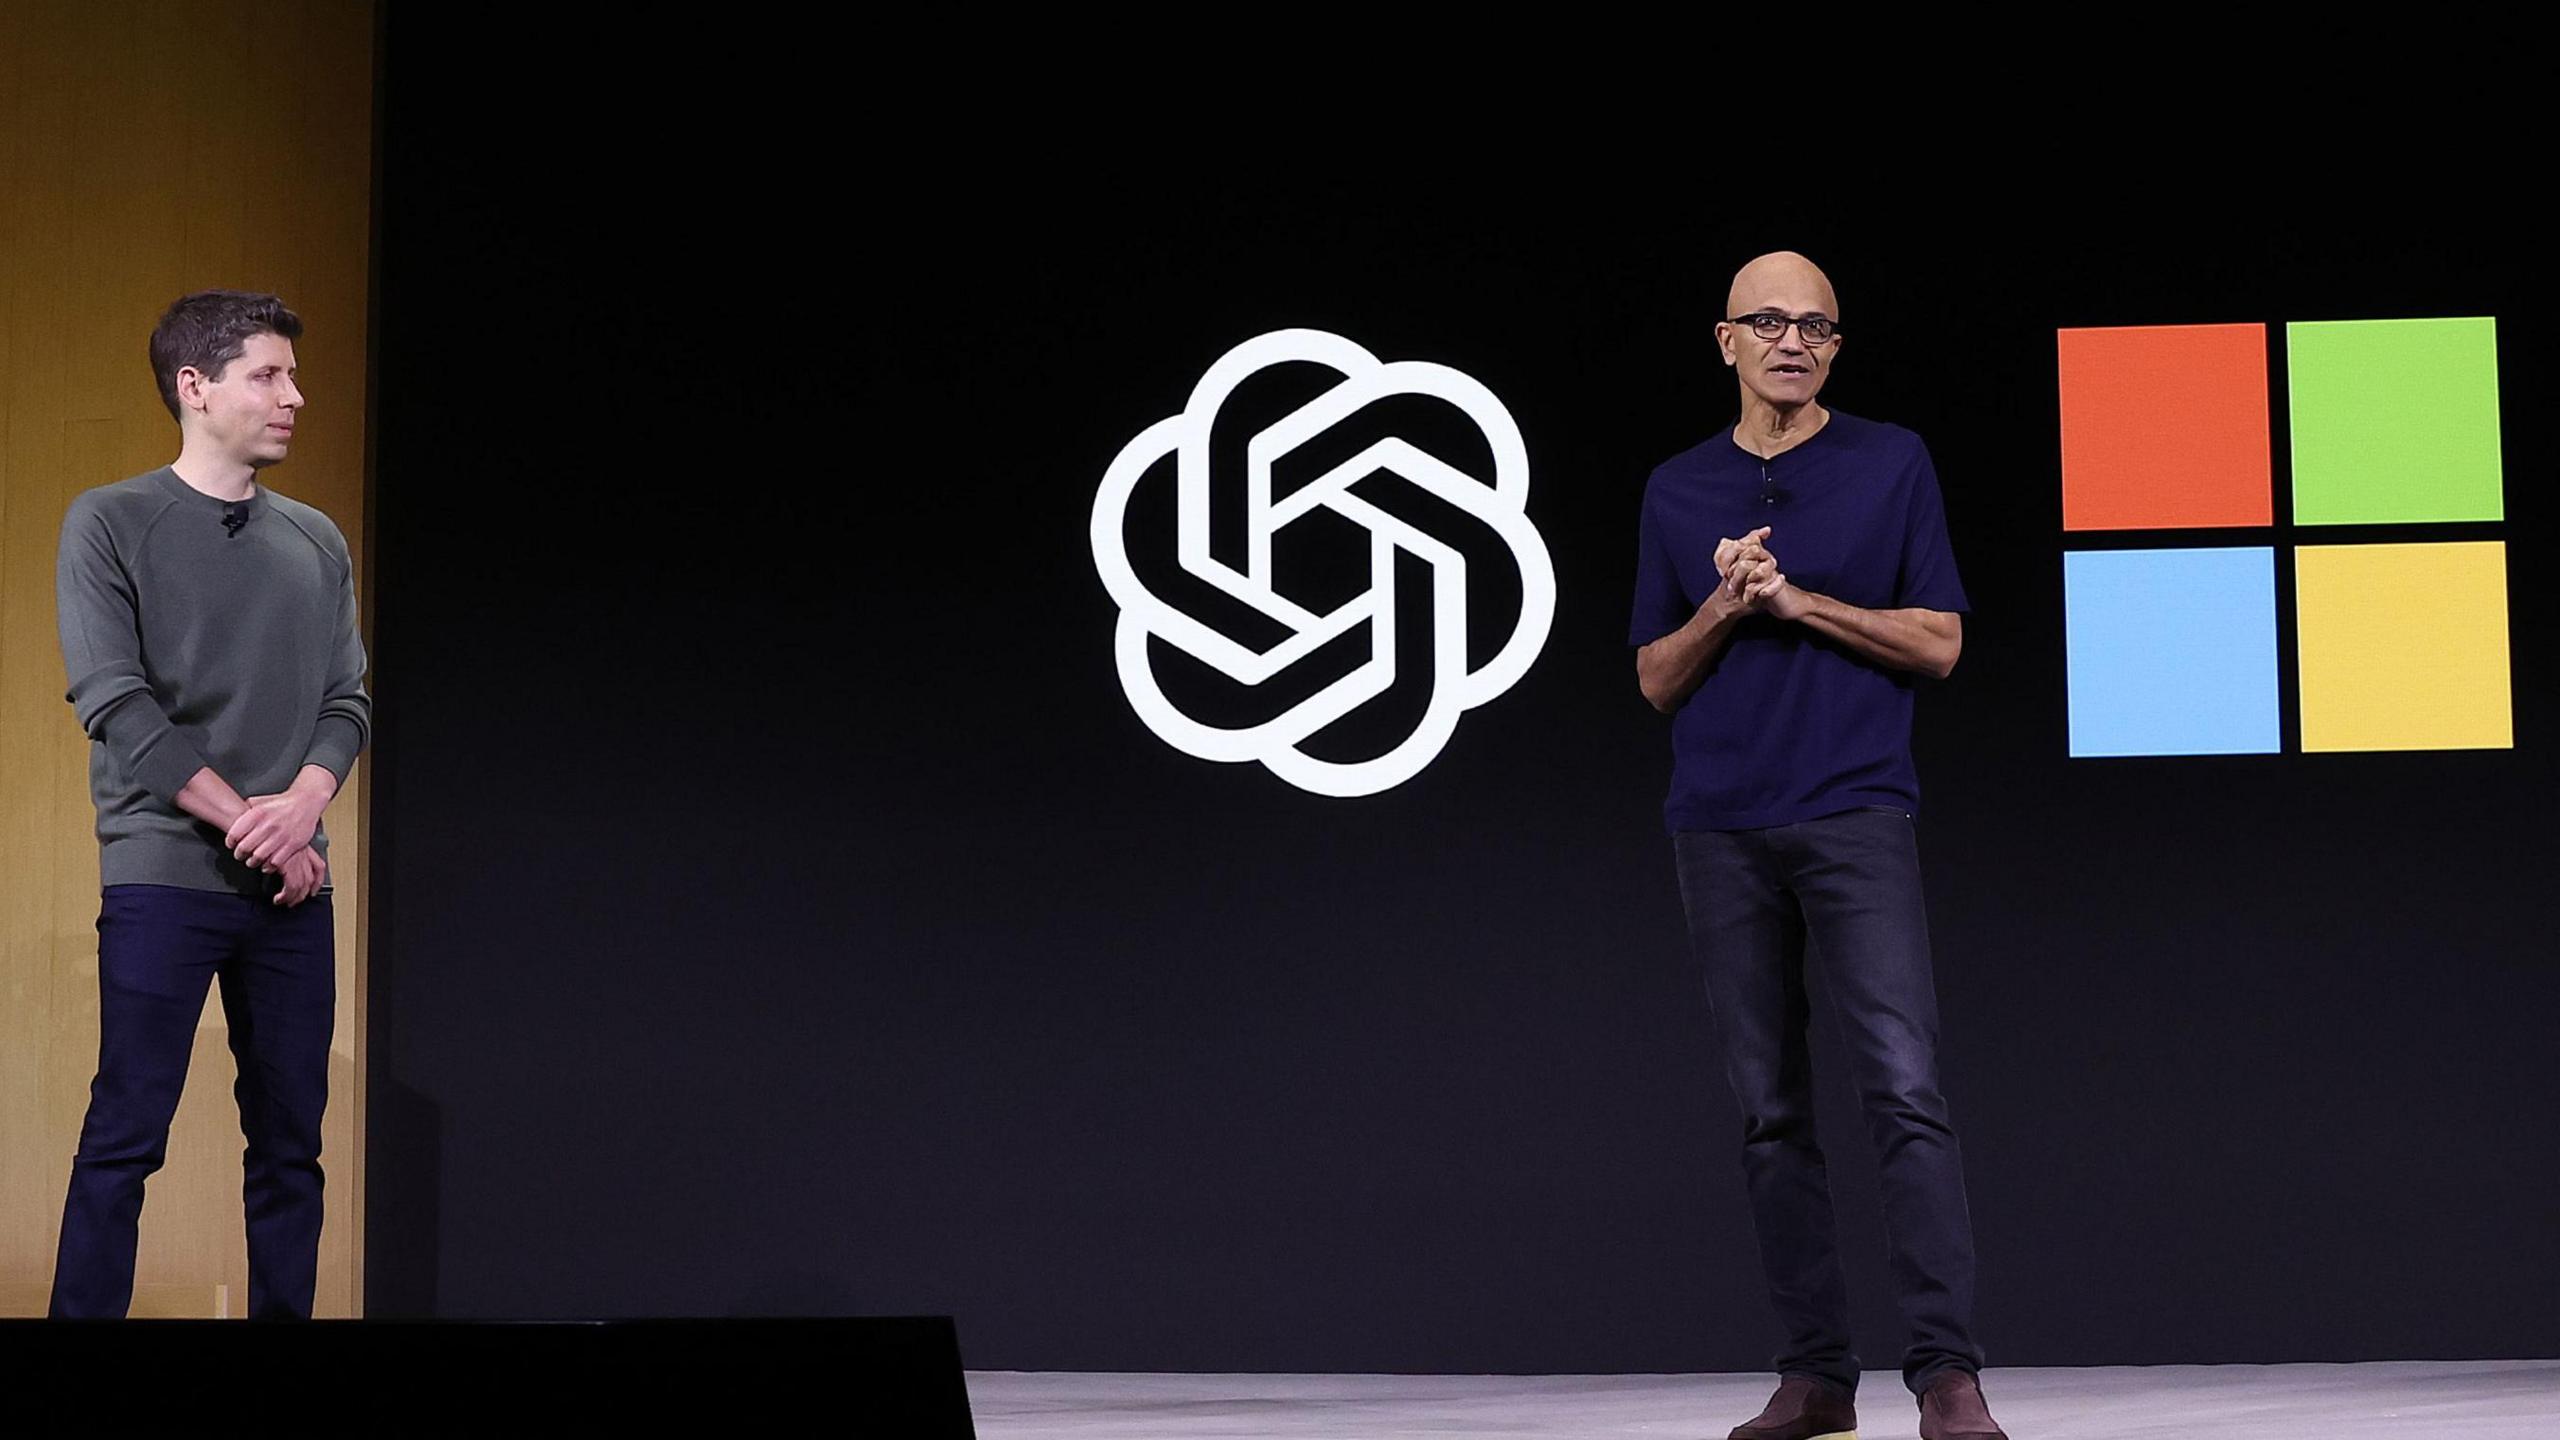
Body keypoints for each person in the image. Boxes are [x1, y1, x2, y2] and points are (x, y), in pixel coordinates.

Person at [1630, 253, 2009, 1440]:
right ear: (1724, 340)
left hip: (1853, 812)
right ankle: (1814, 1376)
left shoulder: (1890, 461)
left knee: (1903, 1089)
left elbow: (1941, 643)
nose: (1792, 340)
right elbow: (1652, 678)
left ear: (1835, 348)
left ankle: (1946, 1375)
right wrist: (1723, 607)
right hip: (1720, 827)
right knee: (1768, 1111)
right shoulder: (1676, 489)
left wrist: (1798, 603)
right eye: (1768, 321)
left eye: (1816, 325)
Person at [49, 289, 370, 1320]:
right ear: (195, 387)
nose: (295, 397)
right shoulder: (110, 521)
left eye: (291, 375)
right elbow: (117, 704)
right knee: (125, 1135)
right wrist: (257, 827)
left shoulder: (316, 541)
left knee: (292, 1148)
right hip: (165, 878)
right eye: (268, 375)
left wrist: (307, 800)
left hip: (290, 893)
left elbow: (345, 698)